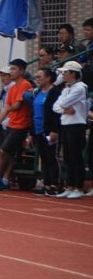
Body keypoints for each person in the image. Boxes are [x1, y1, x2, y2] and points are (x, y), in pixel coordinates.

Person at [0, 59, 32, 191]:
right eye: (11, 69)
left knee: (4, 150)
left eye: (14, 69)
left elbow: (17, 106)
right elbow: (6, 108)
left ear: (22, 71)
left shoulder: (25, 84)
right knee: (6, 151)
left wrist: (8, 109)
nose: (11, 72)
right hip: (11, 124)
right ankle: (2, 179)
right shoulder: (12, 88)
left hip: (21, 125)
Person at [52, 61, 89, 199]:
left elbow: (63, 103)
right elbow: (55, 106)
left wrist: (62, 107)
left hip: (77, 125)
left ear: (73, 73)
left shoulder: (80, 88)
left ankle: (79, 187)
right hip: (66, 124)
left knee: (75, 156)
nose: (63, 75)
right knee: (67, 156)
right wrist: (64, 110)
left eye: (65, 72)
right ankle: (70, 186)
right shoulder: (66, 89)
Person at [27, 67, 61, 196]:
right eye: (36, 77)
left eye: (39, 77)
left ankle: (54, 184)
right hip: (38, 129)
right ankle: (46, 183)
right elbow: (33, 112)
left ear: (48, 78)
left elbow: (56, 113)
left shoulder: (54, 92)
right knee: (44, 157)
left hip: (49, 129)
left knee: (51, 156)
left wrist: (55, 130)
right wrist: (31, 133)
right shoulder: (38, 92)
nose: (37, 79)